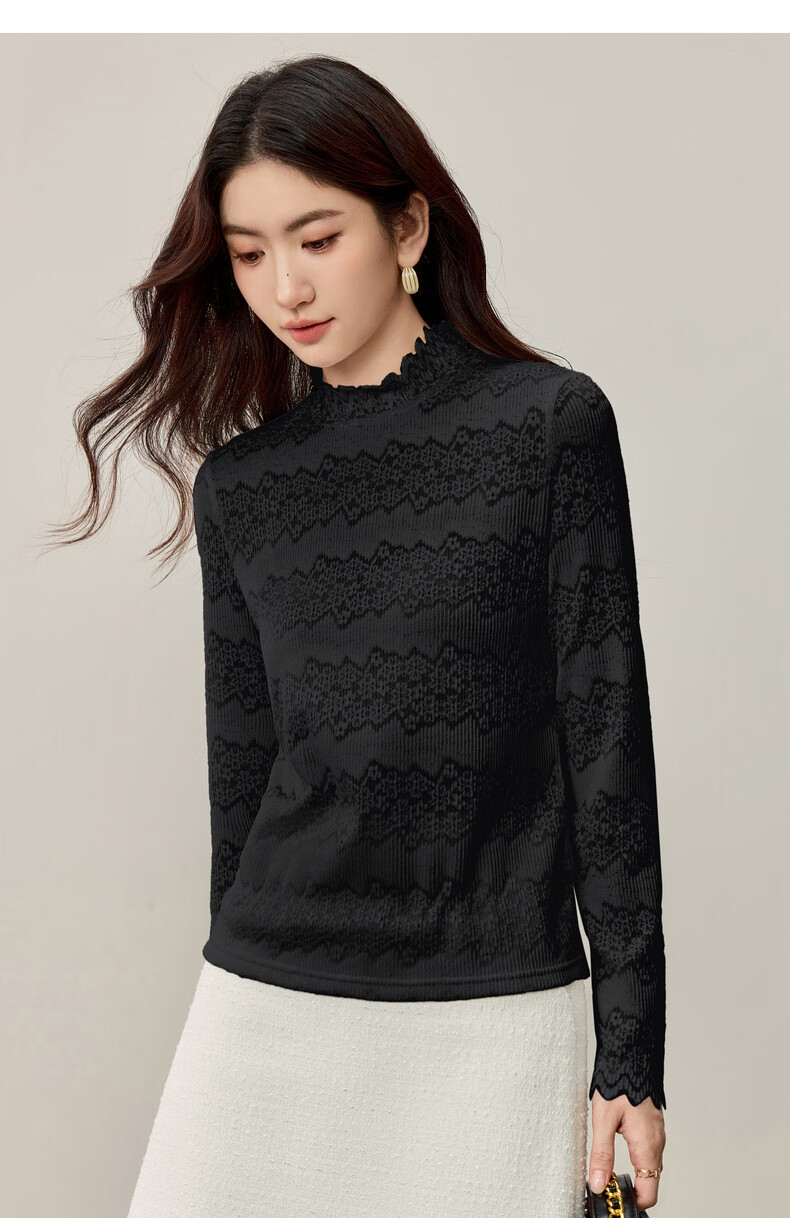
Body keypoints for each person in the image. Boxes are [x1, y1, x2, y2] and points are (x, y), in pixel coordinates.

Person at [51, 53, 667, 1218]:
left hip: (495, 1008)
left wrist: (630, 1057)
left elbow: (606, 749)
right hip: (271, 997)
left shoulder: (547, 427)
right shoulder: (243, 488)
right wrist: (233, 981)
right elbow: (244, 784)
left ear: (408, 226)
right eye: (248, 253)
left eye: (317, 237)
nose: (284, 285)